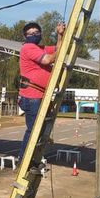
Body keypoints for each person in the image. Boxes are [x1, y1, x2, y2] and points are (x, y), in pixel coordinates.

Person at [17, 21, 66, 164]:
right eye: (30, 33)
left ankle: (31, 158)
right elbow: (48, 59)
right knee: (33, 129)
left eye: (36, 33)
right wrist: (59, 49)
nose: (34, 35)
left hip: (40, 94)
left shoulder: (39, 48)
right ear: (25, 36)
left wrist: (60, 35)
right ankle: (24, 158)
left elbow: (57, 48)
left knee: (39, 129)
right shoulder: (29, 48)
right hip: (32, 96)